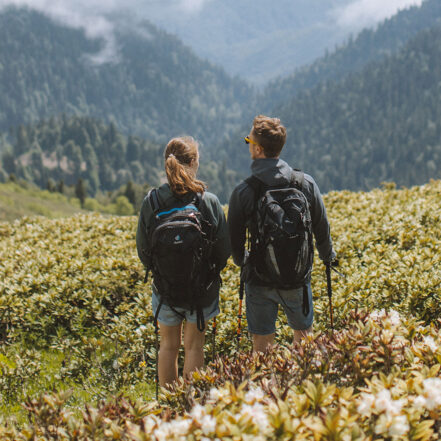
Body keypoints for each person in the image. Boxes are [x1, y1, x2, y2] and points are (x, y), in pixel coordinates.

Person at [228, 115, 335, 352]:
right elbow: (321, 226)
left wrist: (243, 262)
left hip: (259, 279)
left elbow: (233, 241)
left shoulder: (244, 192)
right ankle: (300, 384)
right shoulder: (304, 183)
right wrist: (328, 256)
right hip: (297, 276)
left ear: (257, 149)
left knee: (262, 347)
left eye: (248, 141)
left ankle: (266, 387)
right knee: (305, 339)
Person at [136, 136, 230, 386]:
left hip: (166, 289)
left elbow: (143, 251)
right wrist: (207, 273)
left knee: (167, 346)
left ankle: (169, 406)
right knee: (194, 347)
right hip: (201, 291)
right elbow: (223, 250)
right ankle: (190, 406)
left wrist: (163, 272)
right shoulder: (207, 201)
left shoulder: (152, 201)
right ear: (194, 163)